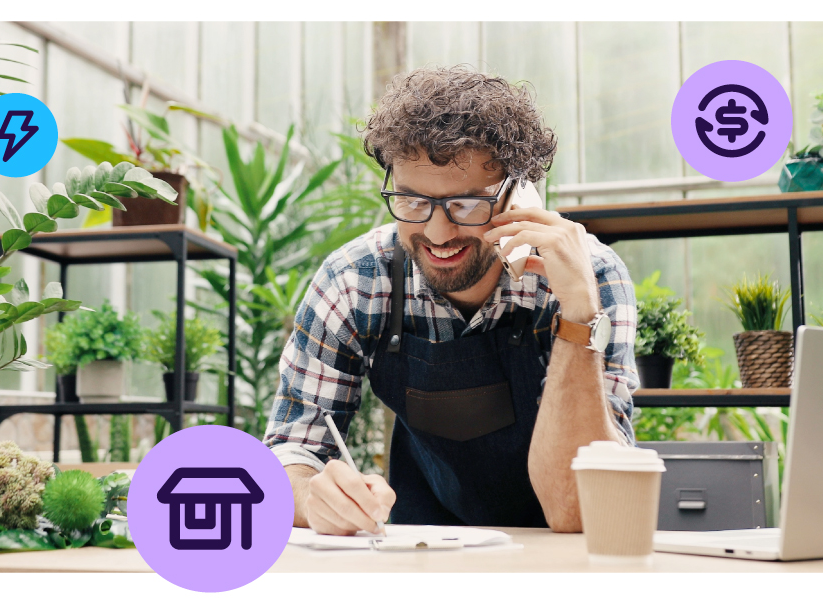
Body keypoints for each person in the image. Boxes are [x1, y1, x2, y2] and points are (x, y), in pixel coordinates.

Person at [263, 66, 638, 534]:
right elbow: (291, 452)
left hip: (563, 556)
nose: (438, 233)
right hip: (424, 547)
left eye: (466, 204)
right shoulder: (355, 280)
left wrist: (579, 316)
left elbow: (583, 509)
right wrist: (310, 496)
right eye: (414, 201)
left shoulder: (592, 278)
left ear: (519, 196)